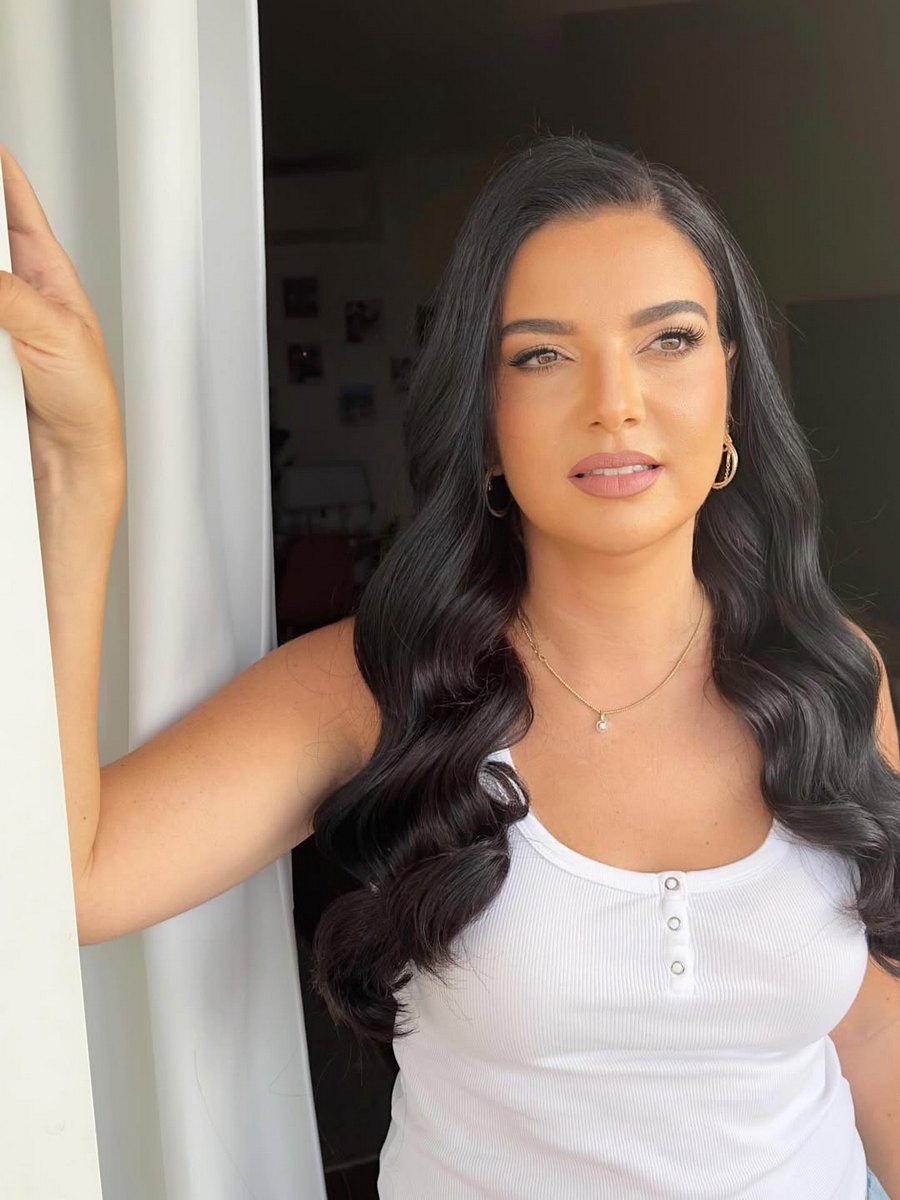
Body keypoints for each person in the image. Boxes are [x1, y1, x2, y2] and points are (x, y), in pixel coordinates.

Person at [1, 133, 897, 1200]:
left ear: (732, 385)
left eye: (669, 339)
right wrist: (78, 469)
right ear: (484, 417)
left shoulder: (828, 673)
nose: (615, 401)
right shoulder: (384, 684)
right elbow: (71, 879)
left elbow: (874, 1030)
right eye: (542, 355)